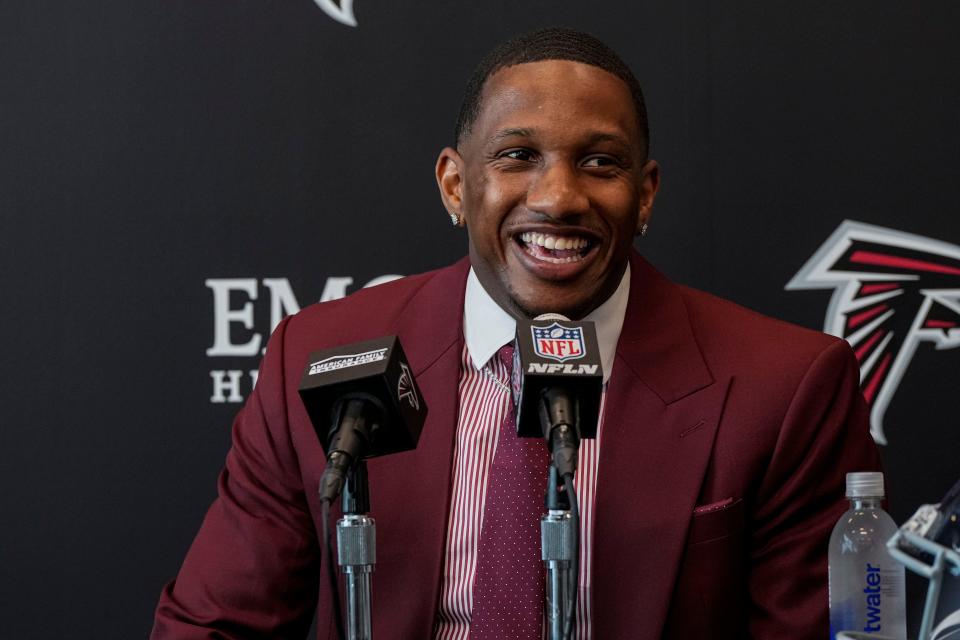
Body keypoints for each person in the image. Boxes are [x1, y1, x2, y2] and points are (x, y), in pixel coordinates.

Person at [152, 27, 881, 639]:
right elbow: (214, 626)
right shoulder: (314, 359)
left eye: (600, 162)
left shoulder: (783, 386)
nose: (559, 197)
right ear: (455, 185)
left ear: (646, 194)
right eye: (517, 156)